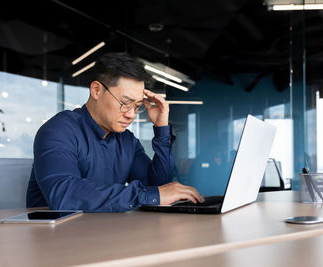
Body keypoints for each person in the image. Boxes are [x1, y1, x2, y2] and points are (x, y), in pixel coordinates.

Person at [26, 52, 204, 212]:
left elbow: (158, 188)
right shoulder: (58, 130)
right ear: (96, 90)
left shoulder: (127, 140)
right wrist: (151, 195)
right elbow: (65, 195)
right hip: (56, 238)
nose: (131, 114)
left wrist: (161, 129)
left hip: (105, 233)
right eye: (125, 103)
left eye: (137, 106)